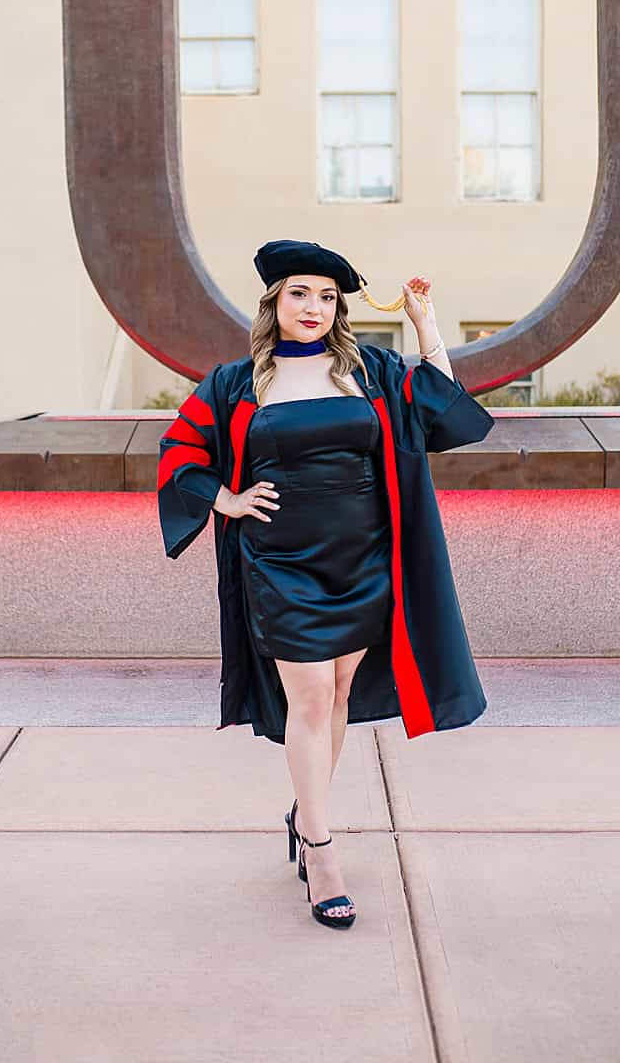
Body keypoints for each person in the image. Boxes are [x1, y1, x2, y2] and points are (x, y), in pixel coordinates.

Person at [154, 240, 496, 930]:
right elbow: (179, 450)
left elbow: (444, 411)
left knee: (337, 693)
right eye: (299, 294)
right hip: (280, 562)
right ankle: (321, 848)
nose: (313, 308)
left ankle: (305, 812)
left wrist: (426, 322)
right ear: (275, 303)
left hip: (361, 557)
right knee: (308, 697)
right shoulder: (237, 383)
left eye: (327, 297)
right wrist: (226, 500)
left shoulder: (369, 369)